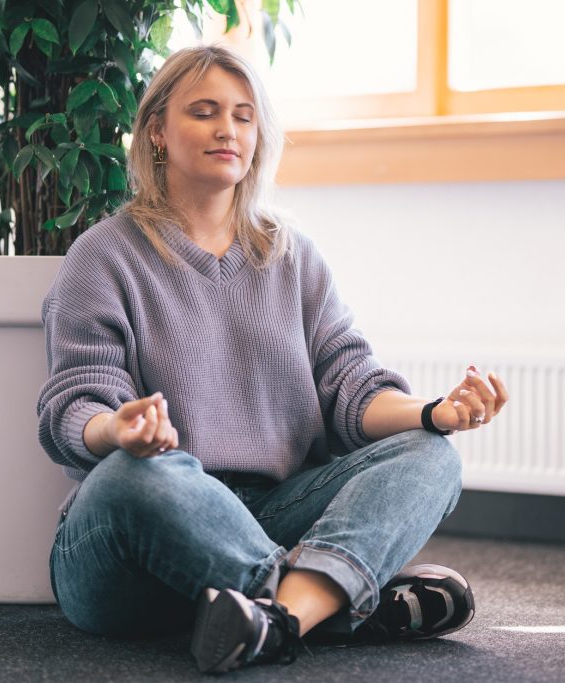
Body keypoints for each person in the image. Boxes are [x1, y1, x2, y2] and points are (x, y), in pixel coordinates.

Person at [36, 44, 508, 674]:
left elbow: (352, 388)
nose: (227, 129)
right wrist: (118, 429)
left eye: (243, 115)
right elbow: (73, 406)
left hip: (276, 507)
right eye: (203, 112)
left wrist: (435, 411)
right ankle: (327, 606)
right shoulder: (102, 256)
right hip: (135, 550)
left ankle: (274, 622)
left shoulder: (293, 256)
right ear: (157, 130)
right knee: (133, 474)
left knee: (430, 454)